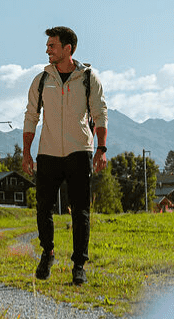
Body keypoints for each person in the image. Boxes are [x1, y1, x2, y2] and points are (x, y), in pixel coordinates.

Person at [19, 26, 107, 285]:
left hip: (80, 151)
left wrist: (101, 149)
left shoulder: (89, 78)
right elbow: (31, 117)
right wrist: (26, 152)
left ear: (68, 49)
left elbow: (100, 113)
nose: (47, 50)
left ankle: (79, 264)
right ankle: (48, 252)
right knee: (43, 207)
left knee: (80, 212)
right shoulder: (41, 80)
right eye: (47, 46)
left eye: (52, 46)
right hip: (47, 153)